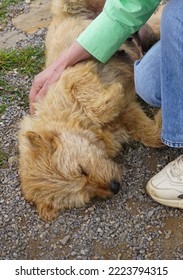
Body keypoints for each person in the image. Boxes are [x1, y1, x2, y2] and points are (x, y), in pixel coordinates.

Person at [29, 0, 183, 209]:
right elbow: (126, 114)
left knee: (174, 18)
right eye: (87, 192)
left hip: (80, 12)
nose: (104, 187)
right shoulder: (91, 142)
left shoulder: (54, 114)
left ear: (51, 141)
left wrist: (100, 107)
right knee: (151, 87)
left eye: (83, 171)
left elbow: (77, 80)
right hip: (116, 31)